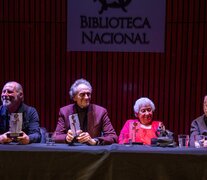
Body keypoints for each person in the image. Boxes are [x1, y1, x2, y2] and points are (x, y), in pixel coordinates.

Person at [53, 78, 118, 145]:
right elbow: (56, 137)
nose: (86, 97)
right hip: (71, 152)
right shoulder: (65, 111)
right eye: (82, 94)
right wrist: (66, 138)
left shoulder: (101, 112)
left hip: (93, 152)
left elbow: (113, 137)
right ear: (74, 97)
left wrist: (94, 141)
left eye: (88, 94)